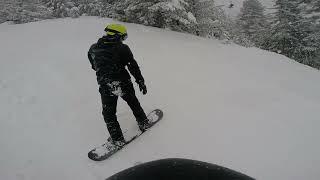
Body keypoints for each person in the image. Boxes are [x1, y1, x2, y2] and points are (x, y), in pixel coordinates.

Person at [88, 24, 150, 147]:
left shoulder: (93, 48)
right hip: (123, 82)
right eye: (122, 37)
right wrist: (140, 81)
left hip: (106, 85)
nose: (123, 40)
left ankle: (117, 139)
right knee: (133, 103)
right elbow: (132, 66)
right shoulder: (123, 48)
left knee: (109, 113)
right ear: (116, 35)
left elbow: (94, 66)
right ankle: (143, 122)